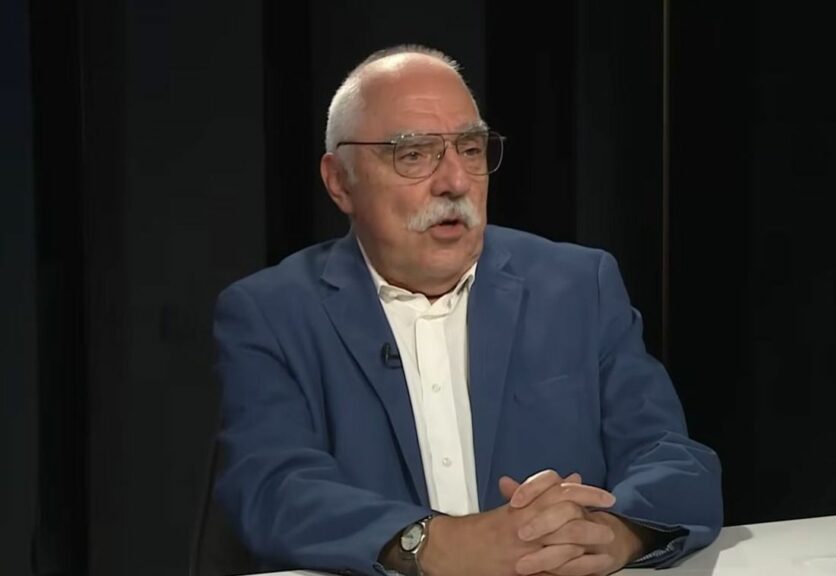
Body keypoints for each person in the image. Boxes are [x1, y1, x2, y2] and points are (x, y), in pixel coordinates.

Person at [213, 45, 722, 576]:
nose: (455, 182)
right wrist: (434, 543)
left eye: (471, 149)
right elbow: (271, 488)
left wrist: (616, 533)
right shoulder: (271, 314)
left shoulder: (578, 287)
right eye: (414, 154)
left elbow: (675, 459)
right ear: (340, 181)